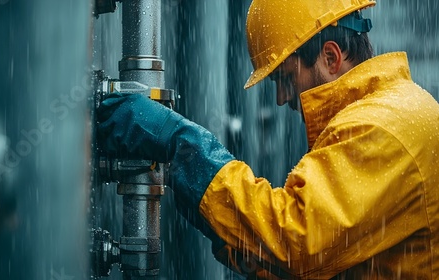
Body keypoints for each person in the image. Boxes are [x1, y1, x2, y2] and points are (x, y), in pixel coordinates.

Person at [98, 0, 439, 278]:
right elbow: (313, 266)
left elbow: (297, 243)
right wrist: (216, 217)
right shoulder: (389, 111)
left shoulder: (381, 127)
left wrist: (184, 144)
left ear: (331, 58)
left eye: (286, 78)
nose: (280, 98)